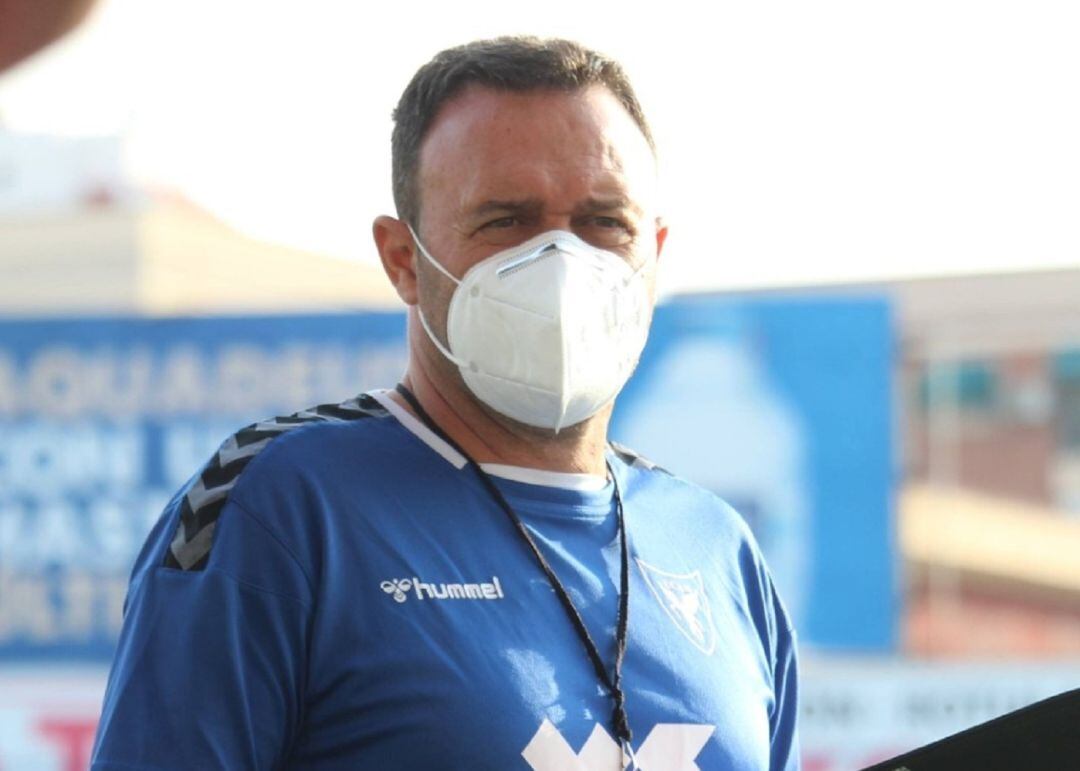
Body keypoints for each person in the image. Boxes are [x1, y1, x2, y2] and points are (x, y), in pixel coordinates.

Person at [91, 36, 799, 770]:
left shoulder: (718, 550)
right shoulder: (281, 508)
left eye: (603, 222)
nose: (562, 264)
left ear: (653, 250)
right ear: (403, 258)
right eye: (506, 220)